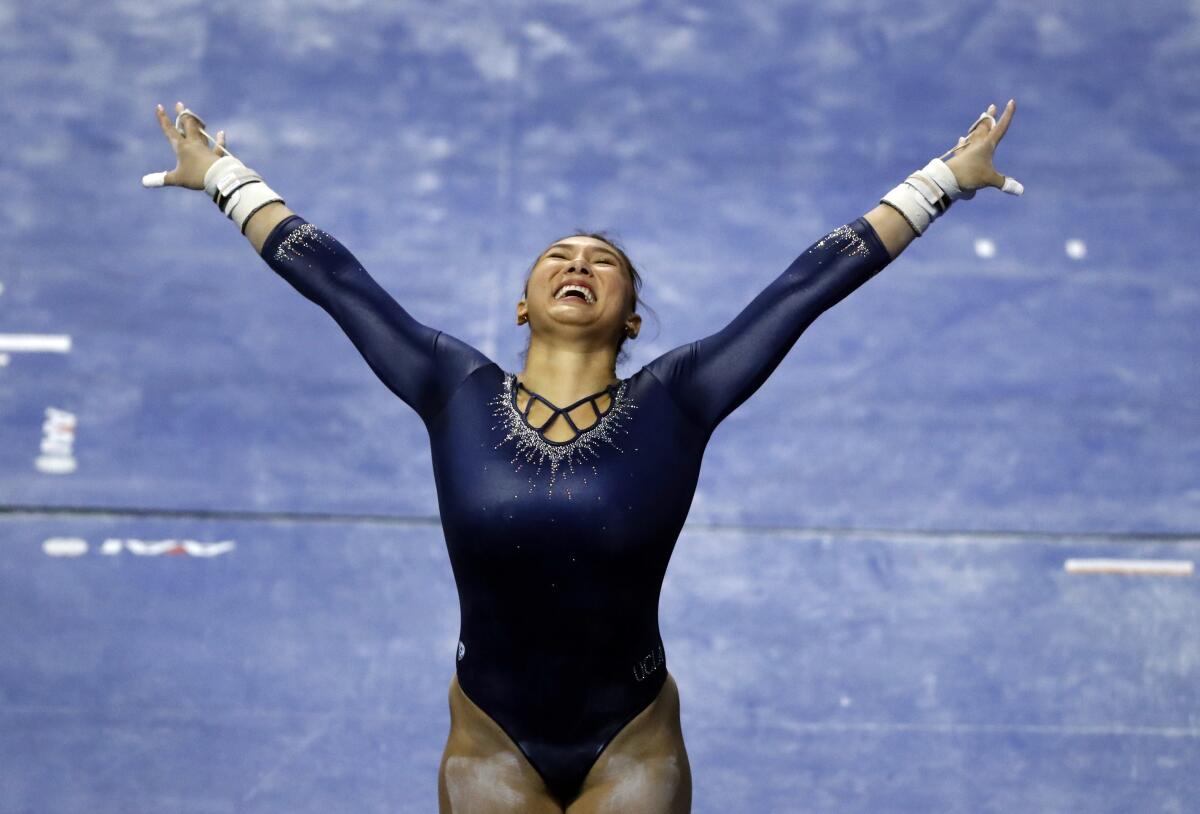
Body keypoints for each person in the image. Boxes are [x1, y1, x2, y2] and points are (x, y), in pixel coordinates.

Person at [144, 98, 1021, 813]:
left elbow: (805, 287)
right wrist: (223, 174)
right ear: (523, 305)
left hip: (630, 736)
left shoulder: (680, 394)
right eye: (558, 257)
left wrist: (944, 178)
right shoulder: (451, 384)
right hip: (490, 736)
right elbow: (337, 280)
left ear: (632, 315)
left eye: (604, 263)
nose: (579, 264)